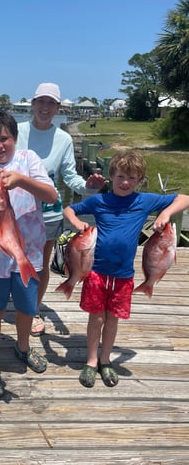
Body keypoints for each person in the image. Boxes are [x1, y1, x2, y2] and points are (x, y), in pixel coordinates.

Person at [0, 82, 105, 335]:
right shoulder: (15, 131)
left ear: (58, 107)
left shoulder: (64, 138)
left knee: (39, 265)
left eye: (51, 103)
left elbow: (69, 177)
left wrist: (88, 186)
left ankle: (32, 308)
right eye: (41, 102)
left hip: (48, 212)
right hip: (10, 207)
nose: (45, 107)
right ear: (33, 104)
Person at [63, 150, 189, 388]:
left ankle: (105, 359)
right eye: (120, 176)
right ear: (111, 176)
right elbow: (69, 210)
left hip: (123, 276)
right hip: (96, 272)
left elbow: (184, 198)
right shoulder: (99, 201)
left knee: (112, 320)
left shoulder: (144, 201)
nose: (125, 182)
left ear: (139, 180)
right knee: (97, 318)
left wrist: (165, 212)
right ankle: (91, 361)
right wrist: (78, 223)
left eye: (132, 178)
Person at [0, 110, 58, 398]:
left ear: (14, 139)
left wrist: (21, 181)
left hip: (27, 254)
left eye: (4, 138)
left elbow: (51, 196)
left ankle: (23, 347)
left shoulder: (29, 160)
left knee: (26, 309)